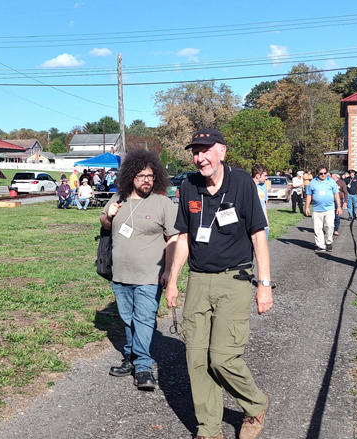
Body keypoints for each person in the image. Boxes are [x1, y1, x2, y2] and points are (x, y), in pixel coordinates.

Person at [165, 128, 272, 439]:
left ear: (222, 151)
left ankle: (255, 405)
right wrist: (173, 281)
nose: (200, 157)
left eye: (206, 150)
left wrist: (264, 284)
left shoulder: (242, 184)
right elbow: (183, 237)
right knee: (197, 360)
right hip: (198, 280)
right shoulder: (188, 186)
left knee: (222, 358)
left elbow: (257, 235)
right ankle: (209, 429)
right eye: (196, 151)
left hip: (234, 278)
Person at [100, 150, 178, 390]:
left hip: (149, 275)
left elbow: (174, 239)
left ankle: (143, 366)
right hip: (120, 273)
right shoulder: (119, 198)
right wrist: (109, 215)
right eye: (142, 176)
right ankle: (131, 357)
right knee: (127, 318)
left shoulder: (162, 203)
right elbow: (104, 222)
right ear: (130, 176)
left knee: (144, 319)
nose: (147, 180)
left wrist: (169, 272)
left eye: (151, 176)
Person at [305, 166, 341, 253]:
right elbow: (309, 195)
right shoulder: (313, 182)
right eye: (321, 173)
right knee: (317, 228)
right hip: (317, 209)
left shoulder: (331, 181)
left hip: (329, 208)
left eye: (325, 173)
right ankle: (321, 245)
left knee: (329, 225)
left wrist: (339, 206)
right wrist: (306, 207)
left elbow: (336, 194)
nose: (323, 175)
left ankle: (328, 242)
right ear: (318, 173)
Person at [251, 164, 270, 238]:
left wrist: (267, 221)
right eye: (265, 175)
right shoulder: (248, 185)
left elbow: (264, 204)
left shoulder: (263, 186)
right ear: (258, 175)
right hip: (253, 223)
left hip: (262, 222)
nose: (266, 178)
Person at [331, 172, 346, 236]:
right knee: (330, 215)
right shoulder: (329, 182)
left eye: (332, 175)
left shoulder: (342, 182)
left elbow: (345, 192)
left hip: (339, 200)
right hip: (330, 201)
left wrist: (345, 201)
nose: (331, 176)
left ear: (335, 176)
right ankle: (329, 229)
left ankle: (335, 229)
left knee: (337, 215)